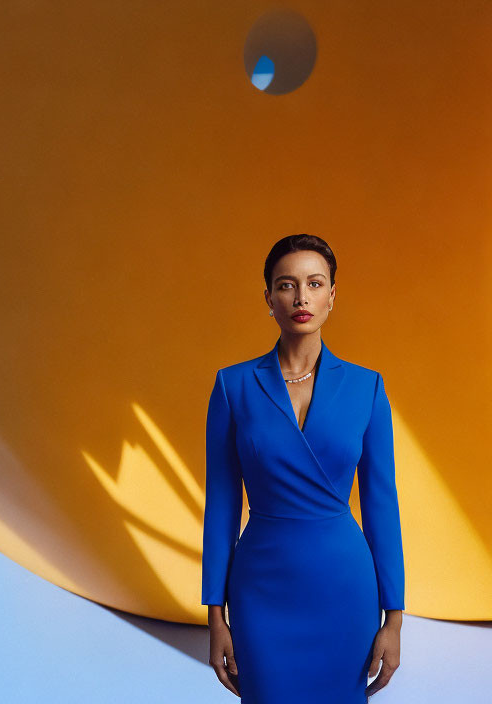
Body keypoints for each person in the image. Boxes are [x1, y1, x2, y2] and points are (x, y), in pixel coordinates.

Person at [201, 234, 404, 702]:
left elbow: (381, 507)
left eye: (315, 284)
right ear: (268, 297)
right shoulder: (233, 386)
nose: (301, 297)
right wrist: (215, 614)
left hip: (344, 587)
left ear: (332, 295)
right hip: (261, 589)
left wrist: (394, 618)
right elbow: (222, 505)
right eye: (286, 285)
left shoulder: (367, 388)